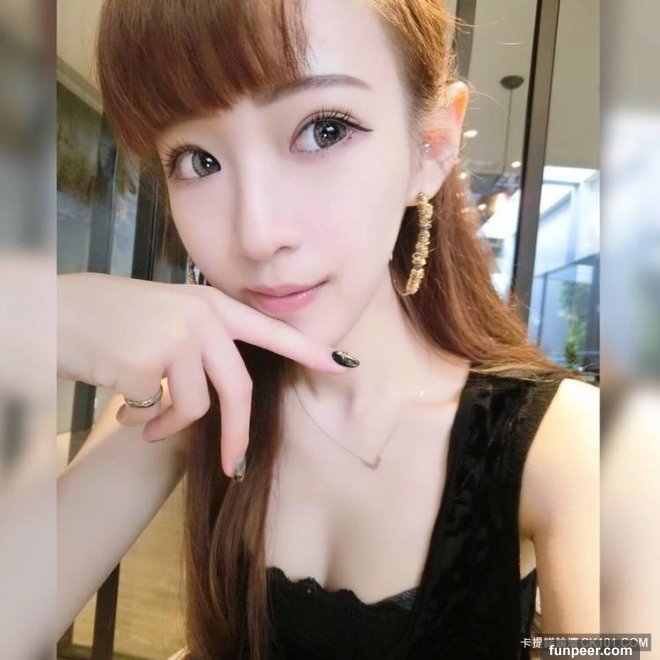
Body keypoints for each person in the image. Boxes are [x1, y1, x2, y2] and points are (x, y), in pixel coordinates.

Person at [56, 0, 599, 658]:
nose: (258, 234)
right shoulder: (191, 396)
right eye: (198, 160)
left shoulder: (570, 445)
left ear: (431, 146)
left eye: (325, 130)